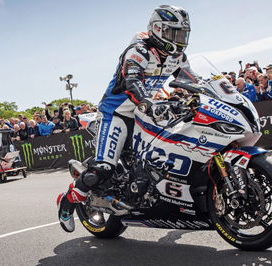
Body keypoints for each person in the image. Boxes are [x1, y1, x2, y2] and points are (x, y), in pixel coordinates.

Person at [57, 5, 191, 232]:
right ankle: (68, 201)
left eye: (181, 34)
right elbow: (132, 81)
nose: (178, 39)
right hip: (118, 112)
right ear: (158, 29)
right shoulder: (139, 49)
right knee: (103, 169)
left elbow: (190, 79)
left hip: (146, 111)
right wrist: (146, 100)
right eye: (173, 33)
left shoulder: (177, 57)